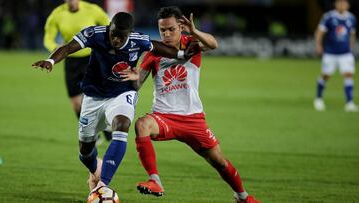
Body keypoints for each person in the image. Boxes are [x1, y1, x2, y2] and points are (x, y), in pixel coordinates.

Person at [32, 12, 196, 192]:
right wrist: (51, 60)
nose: (116, 39)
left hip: (121, 93)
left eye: (121, 36)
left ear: (129, 33)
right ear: (109, 26)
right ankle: (95, 170)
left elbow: (157, 47)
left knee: (122, 124)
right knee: (85, 152)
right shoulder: (95, 34)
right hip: (93, 97)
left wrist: (181, 53)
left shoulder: (137, 40)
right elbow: (69, 47)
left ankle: (102, 186)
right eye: (113, 34)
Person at [120, 6, 260, 203]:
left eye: (171, 29)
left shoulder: (191, 44)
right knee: (142, 124)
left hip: (193, 119)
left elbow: (213, 44)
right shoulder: (154, 53)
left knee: (219, 162)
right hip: (165, 116)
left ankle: (243, 197)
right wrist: (134, 78)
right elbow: (137, 85)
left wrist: (194, 31)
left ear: (180, 27)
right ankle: (155, 180)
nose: (167, 34)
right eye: (162, 30)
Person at [44, 0, 112, 141]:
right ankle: (92, 133)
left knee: (97, 97)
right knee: (76, 103)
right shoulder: (57, 14)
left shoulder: (92, 9)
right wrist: (56, 50)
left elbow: (109, 27)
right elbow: (48, 38)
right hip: (70, 60)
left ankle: (106, 128)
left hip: (91, 59)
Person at [314, 0, 357, 112]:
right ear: (336, 4)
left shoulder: (351, 18)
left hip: (345, 53)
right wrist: (318, 45)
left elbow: (352, 34)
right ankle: (318, 99)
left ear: (348, 5)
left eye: (344, 3)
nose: (342, 5)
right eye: (340, 2)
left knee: (348, 75)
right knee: (326, 75)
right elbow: (319, 32)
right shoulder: (329, 17)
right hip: (330, 53)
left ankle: (349, 103)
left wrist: (351, 48)